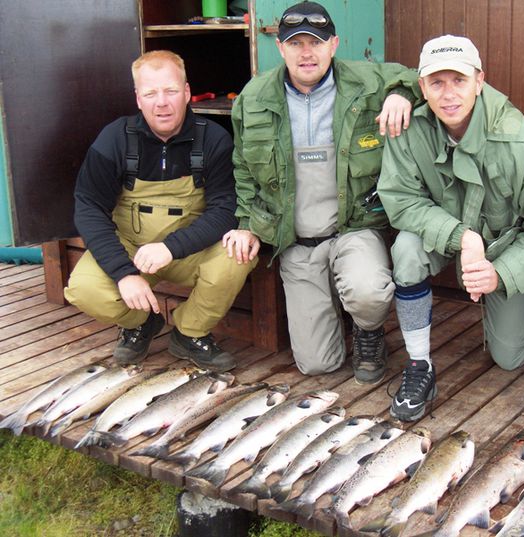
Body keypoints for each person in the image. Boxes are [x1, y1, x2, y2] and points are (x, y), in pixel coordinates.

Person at [378, 35, 524, 422]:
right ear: (422, 86)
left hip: (503, 250)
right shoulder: (409, 130)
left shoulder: (523, 144)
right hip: (446, 234)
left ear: (480, 80)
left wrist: (499, 272)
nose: (448, 94)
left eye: (459, 80)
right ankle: (420, 366)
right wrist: (462, 237)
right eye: (436, 82)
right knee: (405, 249)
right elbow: (400, 198)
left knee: (509, 356)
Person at [223, 1, 420, 383]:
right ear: (280, 49)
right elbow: (243, 169)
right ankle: (330, 304)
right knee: (317, 364)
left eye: (316, 42)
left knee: (369, 292)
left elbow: (417, 77)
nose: (306, 52)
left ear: (334, 44)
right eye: (295, 43)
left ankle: (368, 330)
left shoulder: (367, 82)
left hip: (354, 229)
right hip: (296, 241)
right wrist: (247, 223)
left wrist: (402, 95)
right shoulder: (254, 99)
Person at [64, 50, 255, 372]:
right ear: (139, 99)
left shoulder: (214, 139)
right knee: (83, 290)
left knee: (238, 256)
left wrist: (171, 247)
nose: (161, 102)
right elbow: (88, 208)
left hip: (189, 250)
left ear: (187, 92)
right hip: (132, 250)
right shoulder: (115, 138)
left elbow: (226, 209)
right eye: (151, 93)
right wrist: (124, 273)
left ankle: (189, 332)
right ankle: (142, 323)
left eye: (170, 91)